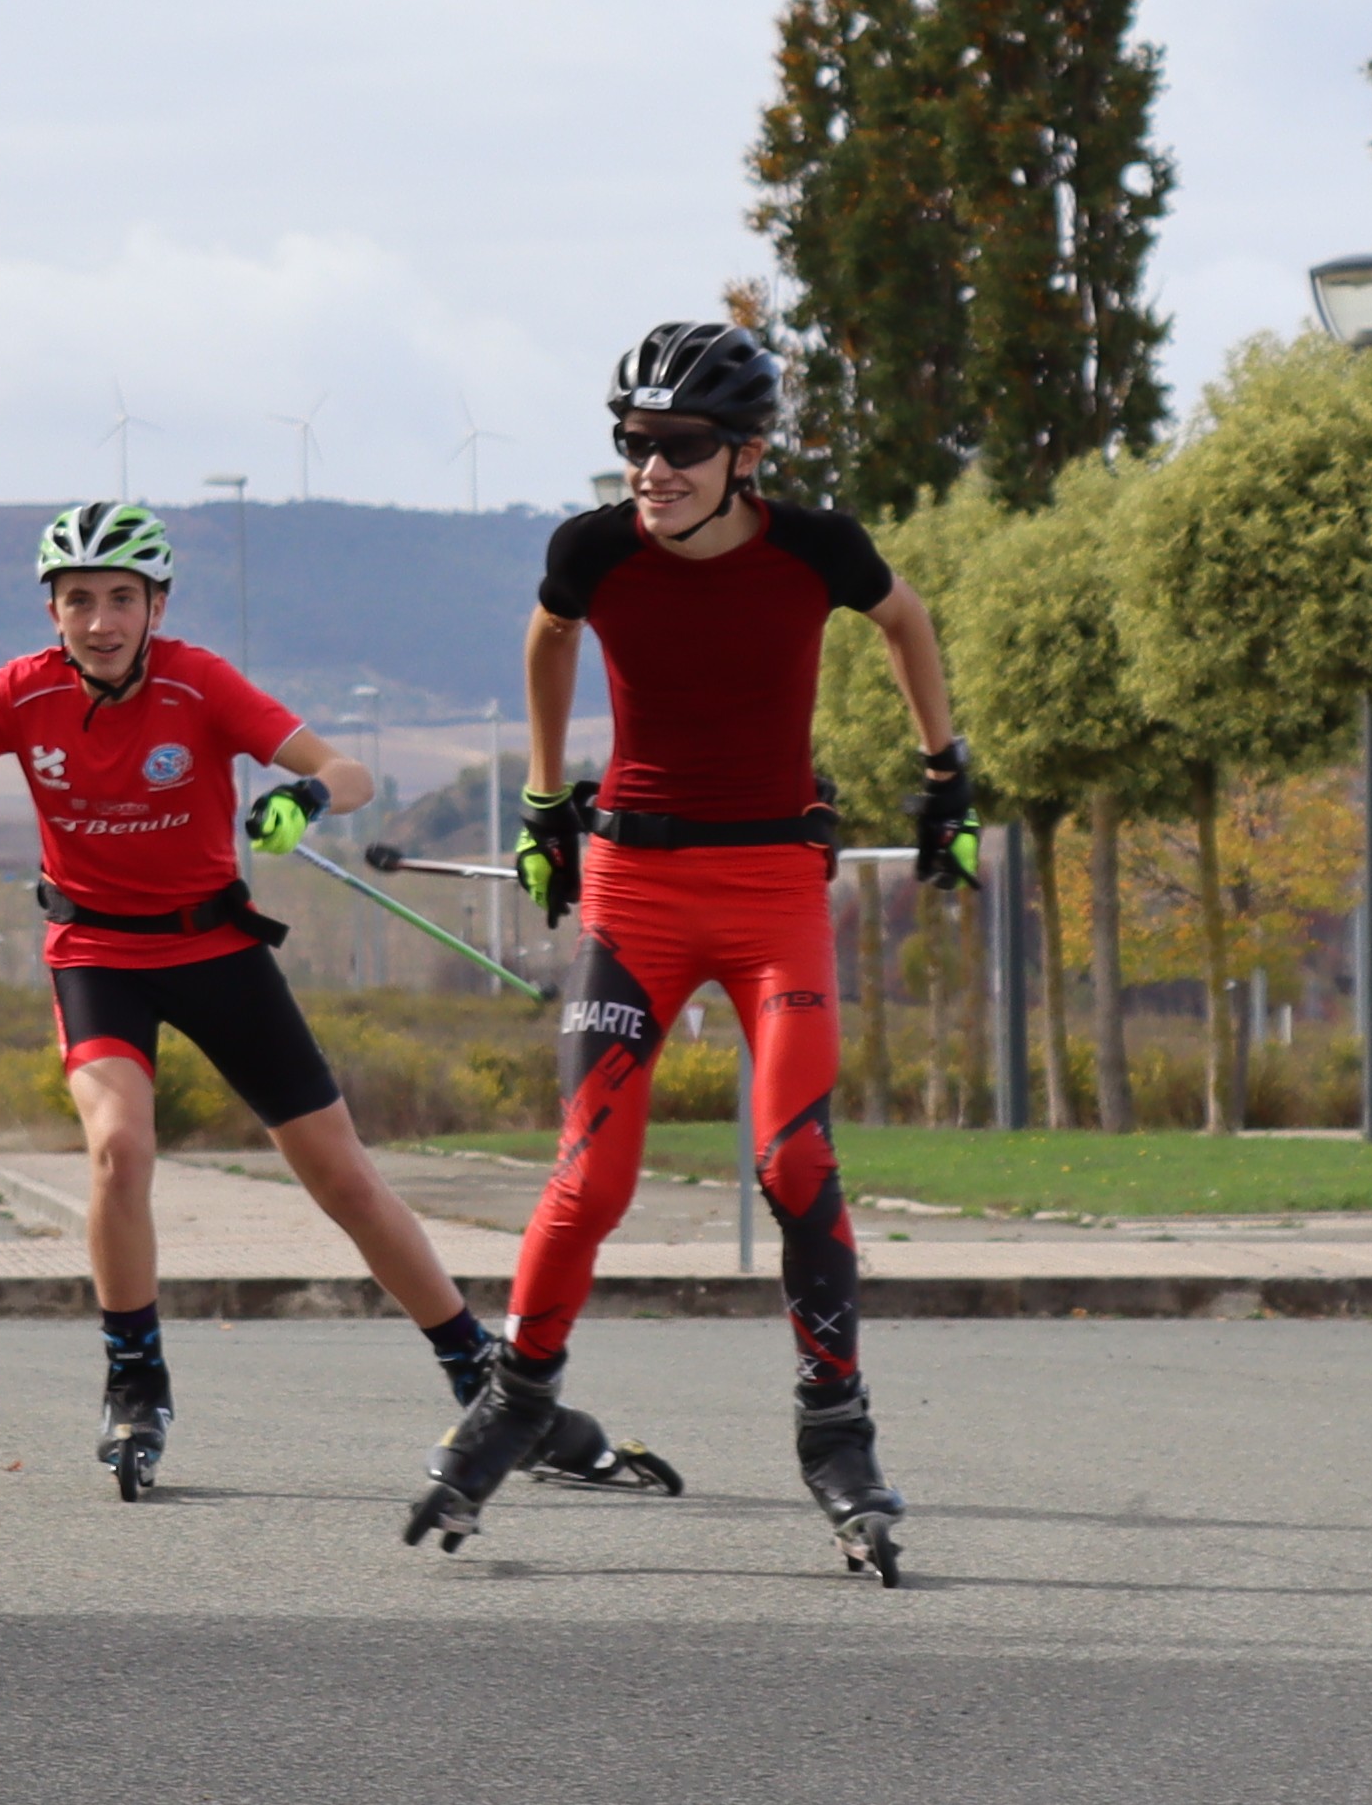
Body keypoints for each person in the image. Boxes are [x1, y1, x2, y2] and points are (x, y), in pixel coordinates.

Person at [410, 315, 975, 1580]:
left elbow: (906, 619)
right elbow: (549, 635)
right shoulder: (594, 549)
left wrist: (946, 771)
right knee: (591, 1179)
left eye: (680, 447)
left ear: (746, 454)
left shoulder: (816, 547)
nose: (650, 470)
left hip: (774, 888)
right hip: (635, 890)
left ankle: (836, 1431)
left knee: (795, 1159)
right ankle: (516, 1401)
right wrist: (544, 800)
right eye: (633, 443)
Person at [0, 499, 518, 1500]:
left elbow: (349, 772)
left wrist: (302, 796)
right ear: (52, 611)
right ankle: (135, 1379)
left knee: (341, 1177)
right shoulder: (23, 693)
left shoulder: (197, 681)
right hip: (96, 955)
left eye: (122, 598)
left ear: (156, 606)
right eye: (79, 599)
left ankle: (476, 1367)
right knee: (119, 1148)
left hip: (216, 951)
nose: (100, 621)